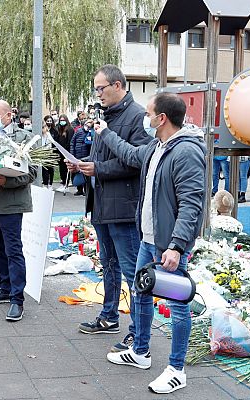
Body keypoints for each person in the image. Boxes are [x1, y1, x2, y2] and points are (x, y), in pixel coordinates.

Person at [86, 92, 205, 394]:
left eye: (149, 113)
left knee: (178, 306)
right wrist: (104, 132)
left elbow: (192, 204)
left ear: (161, 118)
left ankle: (177, 369)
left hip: (168, 245)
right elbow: (128, 154)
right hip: (148, 240)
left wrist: (177, 246)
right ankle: (140, 352)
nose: (145, 118)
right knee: (140, 293)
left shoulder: (186, 152)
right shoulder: (156, 146)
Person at [74, 65, 151, 356]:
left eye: (101, 88)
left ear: (118, 85)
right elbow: (103, 154)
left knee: (133, 272)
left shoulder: (137, 117)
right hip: (102, 204)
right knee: (107, 264)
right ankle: (108, 316)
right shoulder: (104, 117)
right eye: (96, 89)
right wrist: (82, 163)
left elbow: (137, 160)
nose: (98, 94)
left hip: (123, 207)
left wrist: (99, 169)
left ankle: (137, 335)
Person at [0, 100, 38, 322]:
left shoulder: (24, 139)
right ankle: (4, 287)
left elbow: (31, 173)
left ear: (9, 115)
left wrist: (4, 182)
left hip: (9, 202)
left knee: (13, 249)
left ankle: (17, 299)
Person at [69, 118, 94, 196]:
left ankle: (86, 190)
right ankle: (79, 189)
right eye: (86, 125)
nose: (87, 127)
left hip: (87, 155)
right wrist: (72, 154)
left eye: (89, 126)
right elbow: (72, 142)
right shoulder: (79, 131)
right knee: (77, 172)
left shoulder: (92, 133)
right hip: (77, 155)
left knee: (86, 173)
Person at [55, 114, 73, 191]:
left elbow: (70, 141)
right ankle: (63, 182)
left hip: (66, 152)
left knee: (66, 168)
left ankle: (66, 184)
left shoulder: (70, 129)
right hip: (60, 152)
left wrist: (66, 151)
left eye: (63, 120)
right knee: (61, 168)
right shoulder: (59, 129)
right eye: (61, 120)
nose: (62, 122)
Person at [40, 120, 54, 188]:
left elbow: (51, 143)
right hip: (41, 154)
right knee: (44, 170)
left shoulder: (48, 134)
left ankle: (50, 183)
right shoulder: (39, 135)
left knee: (50, 169)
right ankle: (45, 183)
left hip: (48, 153)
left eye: (44, 127)